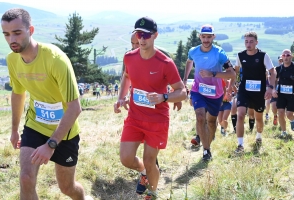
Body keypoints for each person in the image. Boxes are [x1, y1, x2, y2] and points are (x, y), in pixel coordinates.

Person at [1, 8, 92, 200]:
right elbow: (18, 93)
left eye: (17, 33)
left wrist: (51, 144)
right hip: (35, 125)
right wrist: (15, 130)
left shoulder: (56, 59)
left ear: (30, 30)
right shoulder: (12, 59)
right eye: (6, 34)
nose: (11, 40)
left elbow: (75, 108)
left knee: (67, 188)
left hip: (65, 132)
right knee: (26, 179)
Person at [114, 16, 186, 199]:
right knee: (126, 159)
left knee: (149, 158)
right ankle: (145, 171)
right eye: (139, 34)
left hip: (157, 120)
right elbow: (127, 77)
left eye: (146, 35)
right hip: (135, 118)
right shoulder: (129, 57)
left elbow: (182, 92)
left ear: (155, 36)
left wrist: (164, 97)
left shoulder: (165, 63)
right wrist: (121, 98)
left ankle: (152, 193)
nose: (142, 39)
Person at [183, 24, 236, 161]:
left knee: (211, 122)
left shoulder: (220, 53)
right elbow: (189, 62)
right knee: (200, 117)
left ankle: (208, 142)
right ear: (200, 36)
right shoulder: (193, 51)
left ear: (213, 37)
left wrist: (212, 74)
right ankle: (206, 150)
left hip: (215, 93)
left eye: (209, 37)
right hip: (198, 90)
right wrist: (184, 80)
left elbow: (231, 73)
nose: (206, 40)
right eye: (203, 37)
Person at [234, 31, 276, 153]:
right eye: (246, 41)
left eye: (251, 41)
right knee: (240, 114)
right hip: (244, 90)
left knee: (258, 118)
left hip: (259, 92)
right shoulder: (240, 55)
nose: (248, 44)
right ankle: (240, 145)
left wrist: (270, 87)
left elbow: (272, 72)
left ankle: (258, 135)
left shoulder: (263, 56)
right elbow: (235, 71)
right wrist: (233, 83)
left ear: (256, 42)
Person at [272, 49, 294, 137]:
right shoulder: (278, 69)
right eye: (284, 55)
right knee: (280, 113)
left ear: (291, 56)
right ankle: (284, 132)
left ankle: (292, 120)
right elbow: (274, 80)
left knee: (289, 114)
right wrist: (273, 89)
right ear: (282, 57)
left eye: (288, 55)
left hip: (292, 95)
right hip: (281, 94)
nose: (285, 57)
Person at [270, 55, 283, 126]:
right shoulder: (276, 69)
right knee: (274, 106)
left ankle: (282, 122)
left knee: (282, 110)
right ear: (278, 61)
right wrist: (273, 89)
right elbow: (273, 80)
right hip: (276, 90)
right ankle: (275, 115)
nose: (281, 62)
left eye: (282, 60)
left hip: (285, 92)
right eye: (280, 60)